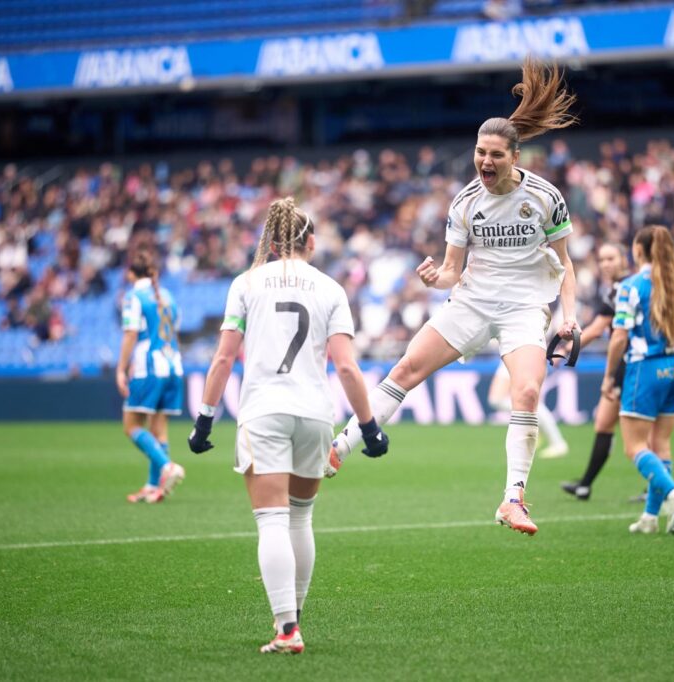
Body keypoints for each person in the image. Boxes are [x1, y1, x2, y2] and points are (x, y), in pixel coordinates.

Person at [326, 58, 580, 536]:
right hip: (472, 302)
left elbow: (566, 265)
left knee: (526, 391)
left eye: (495, 155)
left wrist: (570, 317)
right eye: (479, 152)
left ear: (515, 158)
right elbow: (451, 273)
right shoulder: (465, 203)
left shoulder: (546, 197)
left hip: (526, 308)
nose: (485, 161)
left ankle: (512, 499)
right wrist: (433, 277)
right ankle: (339, 447)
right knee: (405, 369)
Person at [187, 198, 387, 655]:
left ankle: (286, 628)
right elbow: (348, 369)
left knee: (271, 520)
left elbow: (222, 357)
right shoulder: (331, 288)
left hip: (264, 411)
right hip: (315, 414)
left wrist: (204, 418)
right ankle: (294, 619)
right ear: (311, 242)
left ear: (273, 243)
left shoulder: (246, 283)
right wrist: (369, 428)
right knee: (301, 517)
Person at [604, 225, 674, 535]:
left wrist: (608, 375)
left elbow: (619, 337)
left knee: (634, 447)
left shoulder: (631, 286)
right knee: (662, 444)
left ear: (639, 251)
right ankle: (650, 518)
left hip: (646, 369)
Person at [560, 242, 632, 500]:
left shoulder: (626, 289)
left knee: (638, 439)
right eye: (602, 259)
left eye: (611, 258)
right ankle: (586, 484)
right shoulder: (615, 289)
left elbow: (597, 328)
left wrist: (567, 349)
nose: (605, 264)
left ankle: (661, 490)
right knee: (604, 422)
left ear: (624, 258)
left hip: (633, 364)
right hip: (625, 364)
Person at [116, 247, 186, 504]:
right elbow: (175, 330)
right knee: (159, 430)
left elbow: (130, 333)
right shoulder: (168, 296)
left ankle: (167, 466)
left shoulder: (133, 296)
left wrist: (121, 368)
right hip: (174, 365)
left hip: (149, 366)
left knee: (132, 425)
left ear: (131, 273)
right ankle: (152, 486)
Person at [487, 360, 568, 459]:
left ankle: (557, 443)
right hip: (510, 352)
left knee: (525, 400)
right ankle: (539, 431)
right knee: (497, 399)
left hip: (526, 352)